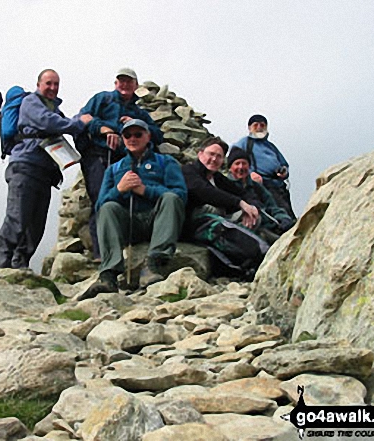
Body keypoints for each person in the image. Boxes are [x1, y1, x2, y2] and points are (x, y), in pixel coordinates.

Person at [0, 69, 92, 269]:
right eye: (48, 83)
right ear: (39, 84)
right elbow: (49, 122)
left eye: (56, 84)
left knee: (36, 224)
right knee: (18, 216)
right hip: (25, 165)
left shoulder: (54, 110)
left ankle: (20, 265)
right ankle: (3, 265)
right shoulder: (31, 102)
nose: (52, 88)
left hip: (44, 172)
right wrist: (78, 123)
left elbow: (64, 123)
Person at [81, 119, 186, 299]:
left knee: (170, 198)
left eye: (138, 134)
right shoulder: (114, 169)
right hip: (128, 224)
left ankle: (153, 263)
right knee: (108, 207)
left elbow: (180, 195)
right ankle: (108, 276)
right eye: (127, 135)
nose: (132, 138)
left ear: (148, 136)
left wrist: (146, 190)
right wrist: (119, 189)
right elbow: (100, 205)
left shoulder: (165, 162)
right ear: (122, 138)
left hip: (157, 221)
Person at [76, 68, 163, 259]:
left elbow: (158, 136)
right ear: (115, 83)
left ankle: (117, 250)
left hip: (123, 161)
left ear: (136, 86)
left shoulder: (138, 112)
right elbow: (82, 117)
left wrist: (137, 123)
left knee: (120, 200)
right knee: (101, 198)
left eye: (129, 81)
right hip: (98, 155)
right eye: (121, 81)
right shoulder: (102, 99)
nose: (124, 85)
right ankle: (102, 254)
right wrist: (104, 129)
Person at [182, 137, 269, 280]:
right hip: (194, 223)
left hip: (214, 220)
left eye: (219, 156)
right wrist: (240, 203)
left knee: (253, 218)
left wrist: (251, 207)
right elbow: (203, 191)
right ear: (200, 154)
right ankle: (260, 255)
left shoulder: (218, 178)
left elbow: (243, 193)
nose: (214, 159)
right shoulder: (188, 171)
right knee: (221, 227)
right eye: (211, 154)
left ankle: (248, 263)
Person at [232, 114, 296, 219]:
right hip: (262, 184)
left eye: (262, 125)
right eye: (255, 125)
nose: (259, 127)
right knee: (278, 210)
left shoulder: (271, 146)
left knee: (287, 210)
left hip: (278, 185)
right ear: (249, 128)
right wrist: (250, 174)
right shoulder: (244, 143)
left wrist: (284, 172)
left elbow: (284, 163)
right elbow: (234, 159)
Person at [226, 147, 295, 244]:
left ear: (249, 166)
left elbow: (273, 206)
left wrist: (283, 217)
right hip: (246, 228)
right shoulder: (225, 186)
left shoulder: (257, 187)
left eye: (244, 163)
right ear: (230, 167)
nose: (241, 167)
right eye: (237, 164)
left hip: (270, 225)